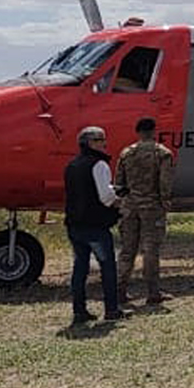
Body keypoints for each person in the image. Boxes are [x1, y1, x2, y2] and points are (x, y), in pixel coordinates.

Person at [63, 125, 125, 325]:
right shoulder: (99, 164)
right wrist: (120, 199)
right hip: (95, 225)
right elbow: (105, 197)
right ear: (90, 143)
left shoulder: (72, 165)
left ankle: (79, 310)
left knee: (80, 267)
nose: (104, 143)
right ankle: (112, 309)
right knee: (107, 266)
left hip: (75, 224)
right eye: (100, 140)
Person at [113, 116, 176, 305]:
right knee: (150, 250)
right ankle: (152, 292)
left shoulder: (126, 153)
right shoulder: (162, 153)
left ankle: (120, 290)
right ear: (154, 131)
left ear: (138, 132)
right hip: (152, 207)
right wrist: (165, 200)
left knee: (127, 250)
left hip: (130, 206)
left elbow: (119, 182)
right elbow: (165, 182)